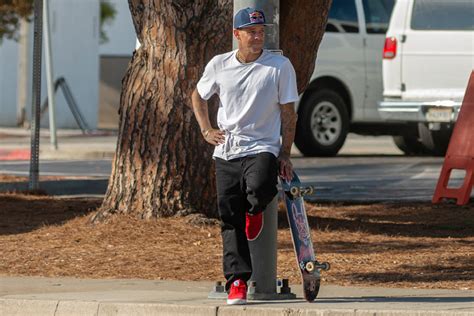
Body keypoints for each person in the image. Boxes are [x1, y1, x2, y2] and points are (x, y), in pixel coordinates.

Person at [191, 7, 298, 305]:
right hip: (226, 149)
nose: (257, 37)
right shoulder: (219, 64)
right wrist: (206, 130)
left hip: (262, 146)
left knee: (261, 187)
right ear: (236, 34)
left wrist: (286, 153)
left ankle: (254, 212)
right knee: (228, 217)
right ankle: (237, 280)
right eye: (251, 32)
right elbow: (198, 96)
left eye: (261, 32)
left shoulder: (278, 66)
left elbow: (289, 113)